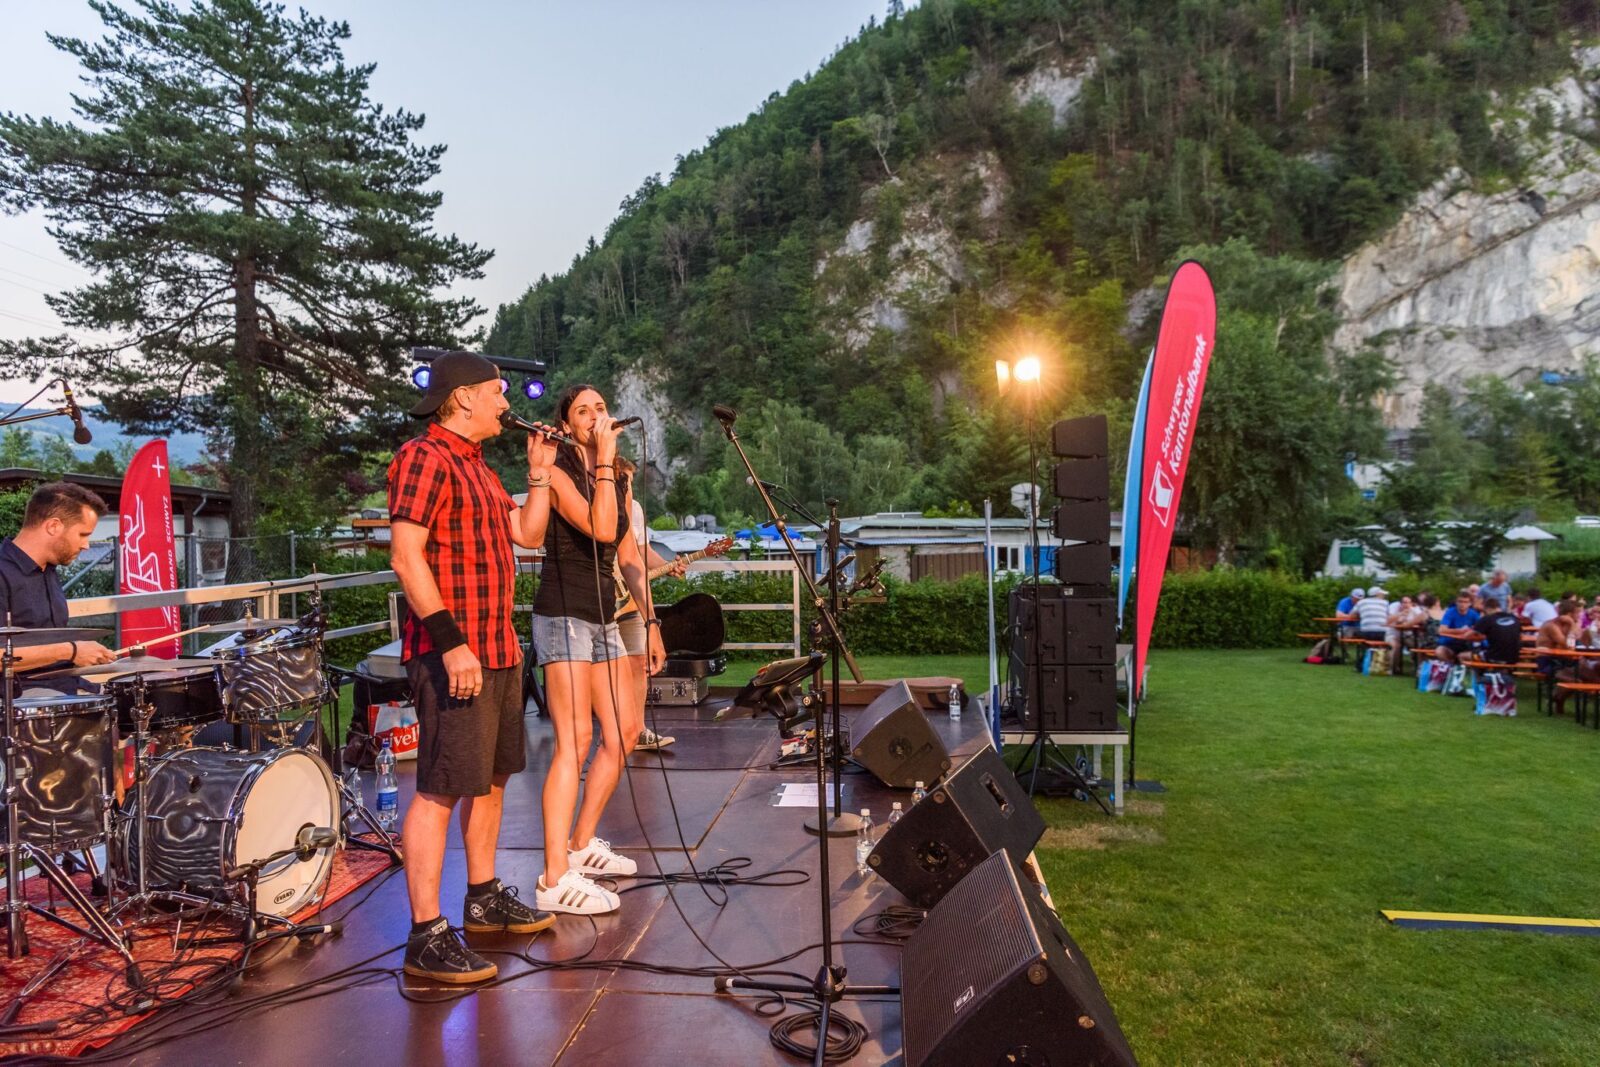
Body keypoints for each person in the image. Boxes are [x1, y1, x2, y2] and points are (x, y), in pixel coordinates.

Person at [389, 351, 558, 985]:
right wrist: (450, 642)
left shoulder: (479, 466)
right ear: (462, 397)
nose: (506, 404)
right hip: (453, 653)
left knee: (490, 779)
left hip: (498, 649)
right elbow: (406, 556)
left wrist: (539, 474)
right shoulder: (423, 457)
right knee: (441, 787)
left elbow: (529, 535)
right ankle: (425, 935)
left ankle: (482, 897)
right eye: (497, 392)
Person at [532, 384, 665, 917]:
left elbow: (627, 554)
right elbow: (599, 526)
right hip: (563, 613)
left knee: (625, 731)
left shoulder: (620, 477)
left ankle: (581, 843)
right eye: (583, 411)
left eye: (601, 408)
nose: (596, 416)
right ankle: (552, 877)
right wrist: (605, 461)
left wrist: (651, 622)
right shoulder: (557, 471)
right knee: (574, 741)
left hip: (606, 616)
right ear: (567, 425)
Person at [0, 482, 118, 678]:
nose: (86, 545)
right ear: (53, 526)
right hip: (23, 694)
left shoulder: (49, 570)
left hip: (65, 684)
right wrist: (70, 651)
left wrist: (81, 651)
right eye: (83, 534)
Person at [611, 456, 686, 753]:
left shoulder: (636, 510)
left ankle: (638, 729)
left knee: (639, 660)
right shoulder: (601, 502)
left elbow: (640, 551)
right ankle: (614, 732)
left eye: (630, 480)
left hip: (632, 596)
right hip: (606, 594)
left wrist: (667, 565)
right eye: (624, 479)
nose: (629, 486)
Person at [1470, 596, 1522, 665]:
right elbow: (1520, 635)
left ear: (1486, 609)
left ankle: (1476, 672)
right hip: (1514, 659)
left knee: (1463, 655)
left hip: (1494, 658)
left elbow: (1468, 636)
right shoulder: (1514, 618)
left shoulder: (1487, 618)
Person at [1436, 589, 1482, 665]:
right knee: (1439, 651)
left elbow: (1481, 630)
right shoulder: (1450, 612)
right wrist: (1460, 631)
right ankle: (1450, 667)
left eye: (1465, 602)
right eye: (1460, 601)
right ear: (1456, 602)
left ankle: (1466, 669)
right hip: (1451, 643)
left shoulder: (1474, 614)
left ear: (1470, 603)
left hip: (1467, 644)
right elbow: (1441, 630)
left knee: (1477, 653)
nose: (1462, 604)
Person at [1385, 594, 1427, 671]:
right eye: (1404, 602)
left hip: (1408, 636)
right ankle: (1393, 669)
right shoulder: (1395, 609)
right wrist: (1400, 614)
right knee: (1396, 646)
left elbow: (1423, 620)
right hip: (1393, 635)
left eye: (1408, 603)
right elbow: (1387, 622)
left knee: (1419, 646)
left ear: (1411, 604)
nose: (1406, 605)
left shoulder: (1415, 610)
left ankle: (1419, 669)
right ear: (1400, 603)